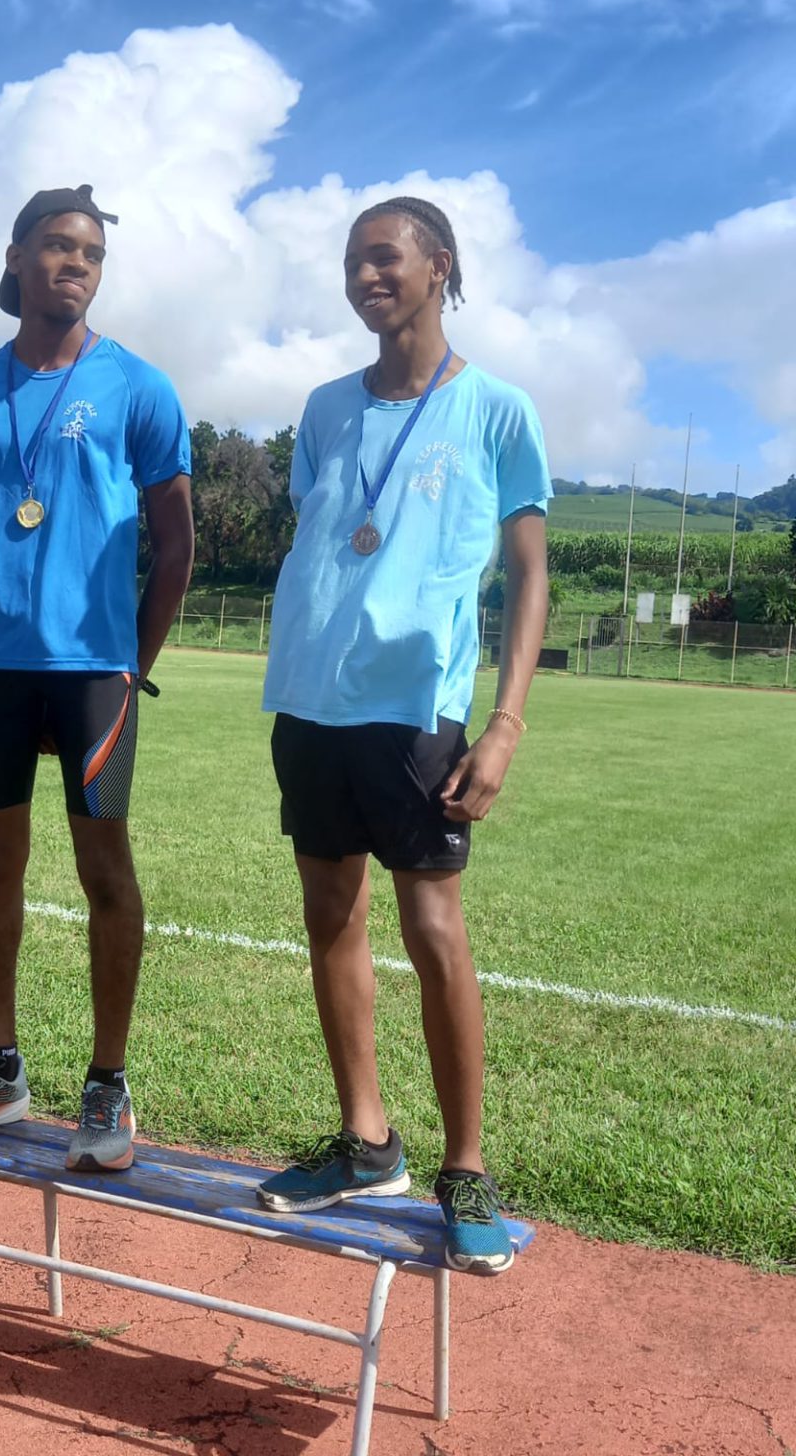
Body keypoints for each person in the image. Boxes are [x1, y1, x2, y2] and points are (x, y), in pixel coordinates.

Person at [256, 196, 551, 1273]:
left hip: (416, 710)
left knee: (433, 931)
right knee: (330, 917)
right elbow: (328, 540)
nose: (365, 277)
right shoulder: (325, 407)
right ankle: (366, 1142)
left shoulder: (498, 410)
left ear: (440, 267)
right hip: (308, 701)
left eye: (384, 257)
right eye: (352, 263)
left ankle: (465, 1169)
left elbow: (529, 574)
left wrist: (505, 722)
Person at [0, 185, 194, 1172]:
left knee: (105, 871)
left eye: (93, 253)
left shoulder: (139, 388)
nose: (77, 264)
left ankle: (107, 1082)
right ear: (17, 256)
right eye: (60, 246)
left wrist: (132, 663)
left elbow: (177, 545)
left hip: (95, 675)